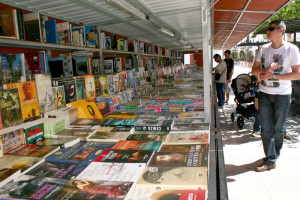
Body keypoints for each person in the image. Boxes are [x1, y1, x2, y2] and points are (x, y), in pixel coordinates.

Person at [251, 20, 300, 172]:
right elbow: (254, 70)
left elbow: (297, 74)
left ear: (280, 31)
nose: (267, 32)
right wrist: (263, 71)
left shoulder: (291, 49)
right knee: (266, 128)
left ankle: (276, 152)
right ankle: (270, 159)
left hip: (283, 95)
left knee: (278, 128)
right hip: (264, 93)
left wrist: (274, 77)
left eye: (270, 29)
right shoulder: (263, 49)